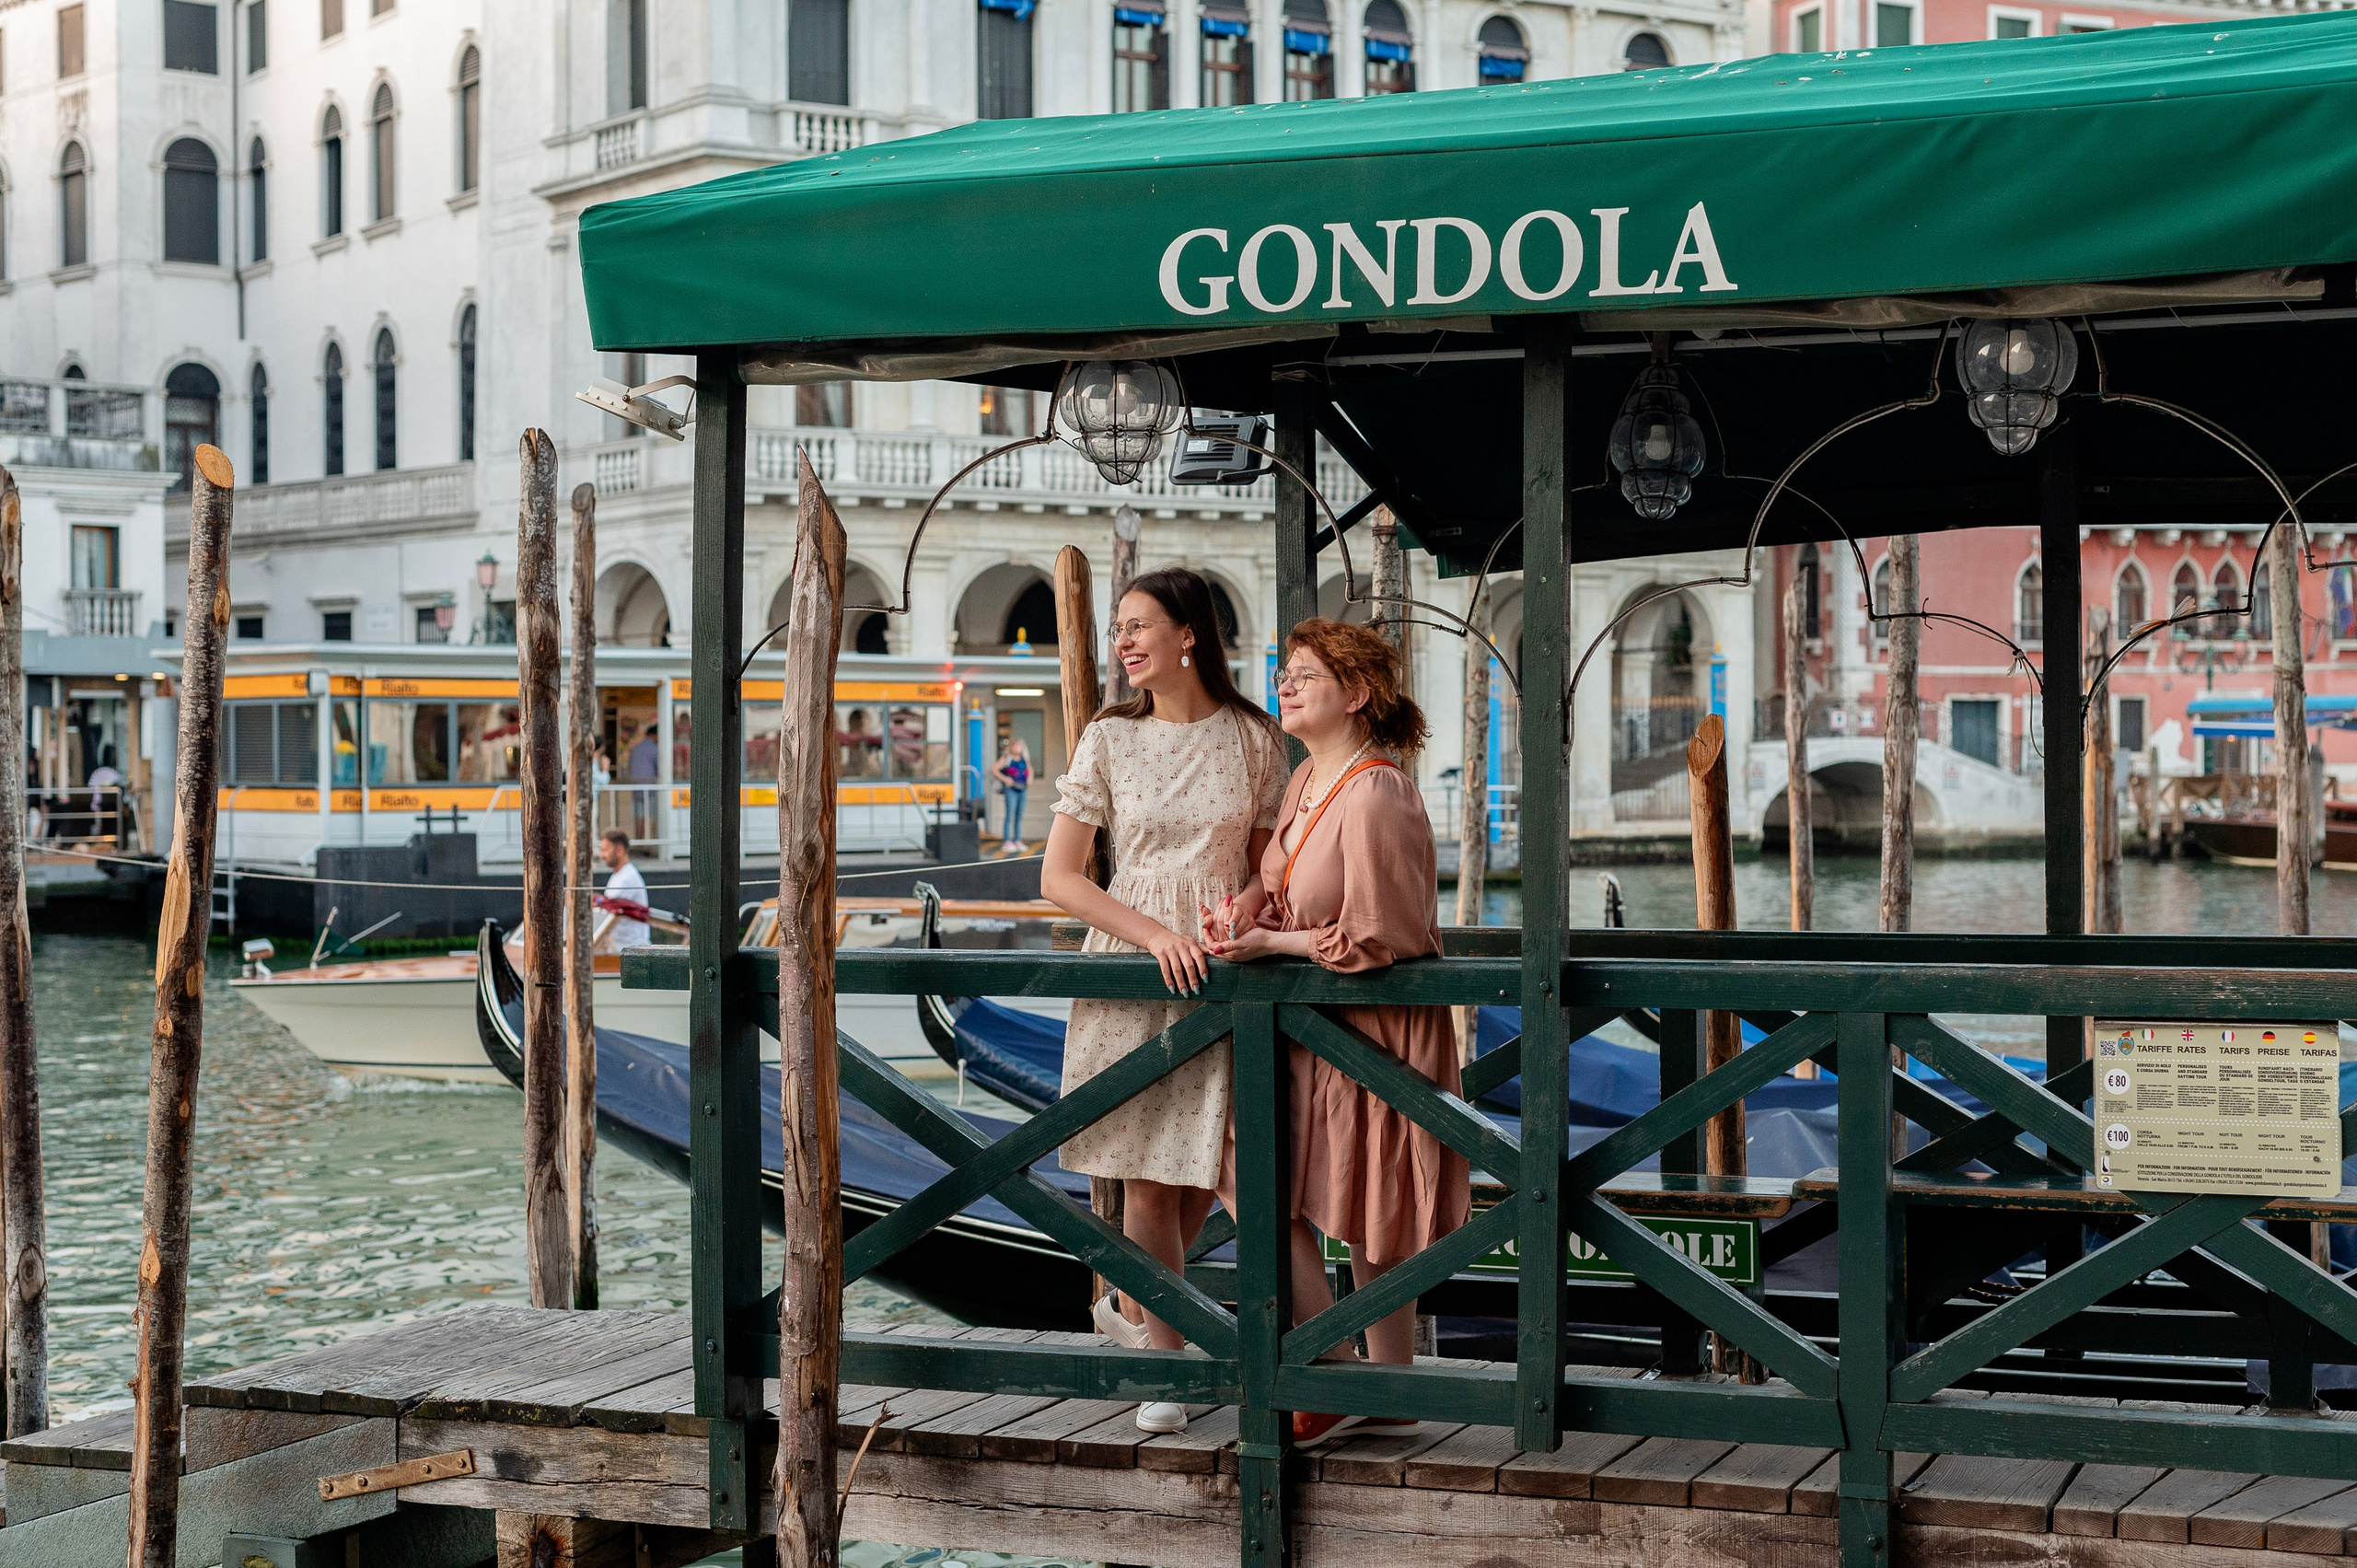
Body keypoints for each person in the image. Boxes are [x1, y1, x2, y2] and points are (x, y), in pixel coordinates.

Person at [1039, 567, 1288, 1435]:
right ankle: (1170, 1371)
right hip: (1137, 965)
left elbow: (1266, 867)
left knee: (1199, 1173)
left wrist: (1245, 907)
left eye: (1138, 625)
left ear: (1190, 634)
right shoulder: (1109, 737)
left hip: (1225, 969)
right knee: (1149, 1175)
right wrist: (1153, 936)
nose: (1123, 641)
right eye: (1117, 628)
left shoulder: (1255, 737)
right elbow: (1059, 877)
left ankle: (1141, 1311)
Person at [1210, 617, 1469, 1447]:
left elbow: (1378, 934)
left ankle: (1383, 1387)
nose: (1284, 685)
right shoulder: (1304, 780)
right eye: (1284, 672)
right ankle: (1339, 1362)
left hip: (1374, 1024)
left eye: (1306, 675)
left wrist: (1271, 946)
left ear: (1356, 694)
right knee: (1251, 1165)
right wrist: (1246, 912)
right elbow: (1281, 879)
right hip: (1311, 1024)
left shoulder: (1378, 792)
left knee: (1372, 1196)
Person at [594, 829, 653, 951]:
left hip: (631, 948)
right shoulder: (619, 875)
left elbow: (607, 909)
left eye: (605, 850)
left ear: (620, 850)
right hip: (619, 946)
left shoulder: (627, 878)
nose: (601, 855)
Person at [992, 737, 1032, 854]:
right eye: (1015, 746)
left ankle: (1017, 840)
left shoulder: (1024, 759)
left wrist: (1029, 780)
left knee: (1019, 816)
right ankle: (1007, 841)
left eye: (1019, 746)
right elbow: (994, 769)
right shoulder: (1006, 758)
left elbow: (1030, 771)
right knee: (1010, 815)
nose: (1017, 748)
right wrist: (1006, 779)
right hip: (1011, 789)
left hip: (1022, 789)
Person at [626, 724, 660, 840]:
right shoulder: (655, 749)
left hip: (636, 787)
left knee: (639, 816)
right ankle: (653, 841)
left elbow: (630, 767)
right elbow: (660, 769)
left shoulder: (636, 748)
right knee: (654, 816)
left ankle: (639, 842)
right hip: (651, 788)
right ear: (655, 735)